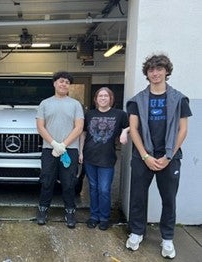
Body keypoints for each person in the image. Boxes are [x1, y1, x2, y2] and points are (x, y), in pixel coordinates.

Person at [125, 54, 192, 259]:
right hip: (142, 157)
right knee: (137, 196)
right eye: (151, 70)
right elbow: (134, 130)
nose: (155, 73)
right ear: (147, 73)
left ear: (166, 71)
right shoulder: (137, 100)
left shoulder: (179, 98)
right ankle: (136, 232)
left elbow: (182, 130)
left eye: (159, 69)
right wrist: (145, 156)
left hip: (170, 157)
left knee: (169, 199)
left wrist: (169, 156)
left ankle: (168, 238)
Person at [36, 71, 84, 229]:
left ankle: (70, 211)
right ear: (54, 83)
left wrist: (63, 145)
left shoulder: (76, 104)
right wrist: (54, 144)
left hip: (69, 150)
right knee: (47, 181)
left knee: (69, 183)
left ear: (69, 86)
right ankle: (43, 210)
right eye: (61, 81)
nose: (63, 84)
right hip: (49, 149)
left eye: (67, 82)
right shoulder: (44, 103)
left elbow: (79, 127)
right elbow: (40, 127)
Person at [79, 87, 129, 231]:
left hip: (107, 158)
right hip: (89, 157)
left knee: (104, 189)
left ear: (111, 99)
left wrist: (125, 131)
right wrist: (81, 152)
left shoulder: (119, 114)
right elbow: (83, 134)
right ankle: (94, 217)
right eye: (100, 96)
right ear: (96, 99)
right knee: (93, 188)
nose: (103, 98)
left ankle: (104, 218)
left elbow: (132, 126)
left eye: (106, 96)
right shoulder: (89, 114)